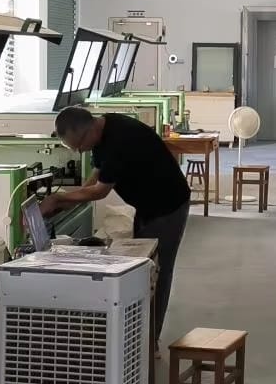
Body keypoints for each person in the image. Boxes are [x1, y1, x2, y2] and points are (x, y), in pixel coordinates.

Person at [43, 106, 191, 340]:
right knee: (143, 268)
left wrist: (59, 198)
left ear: (89, 128)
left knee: (156, 271)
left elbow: (100, 191)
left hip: (168, 206)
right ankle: (139, 335)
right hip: (147, 206)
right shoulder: (104, 129)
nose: (81, 150)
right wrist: (68, 202)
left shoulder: (120, 140)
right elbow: (97, 175)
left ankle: (149, 341)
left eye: (80, 145)